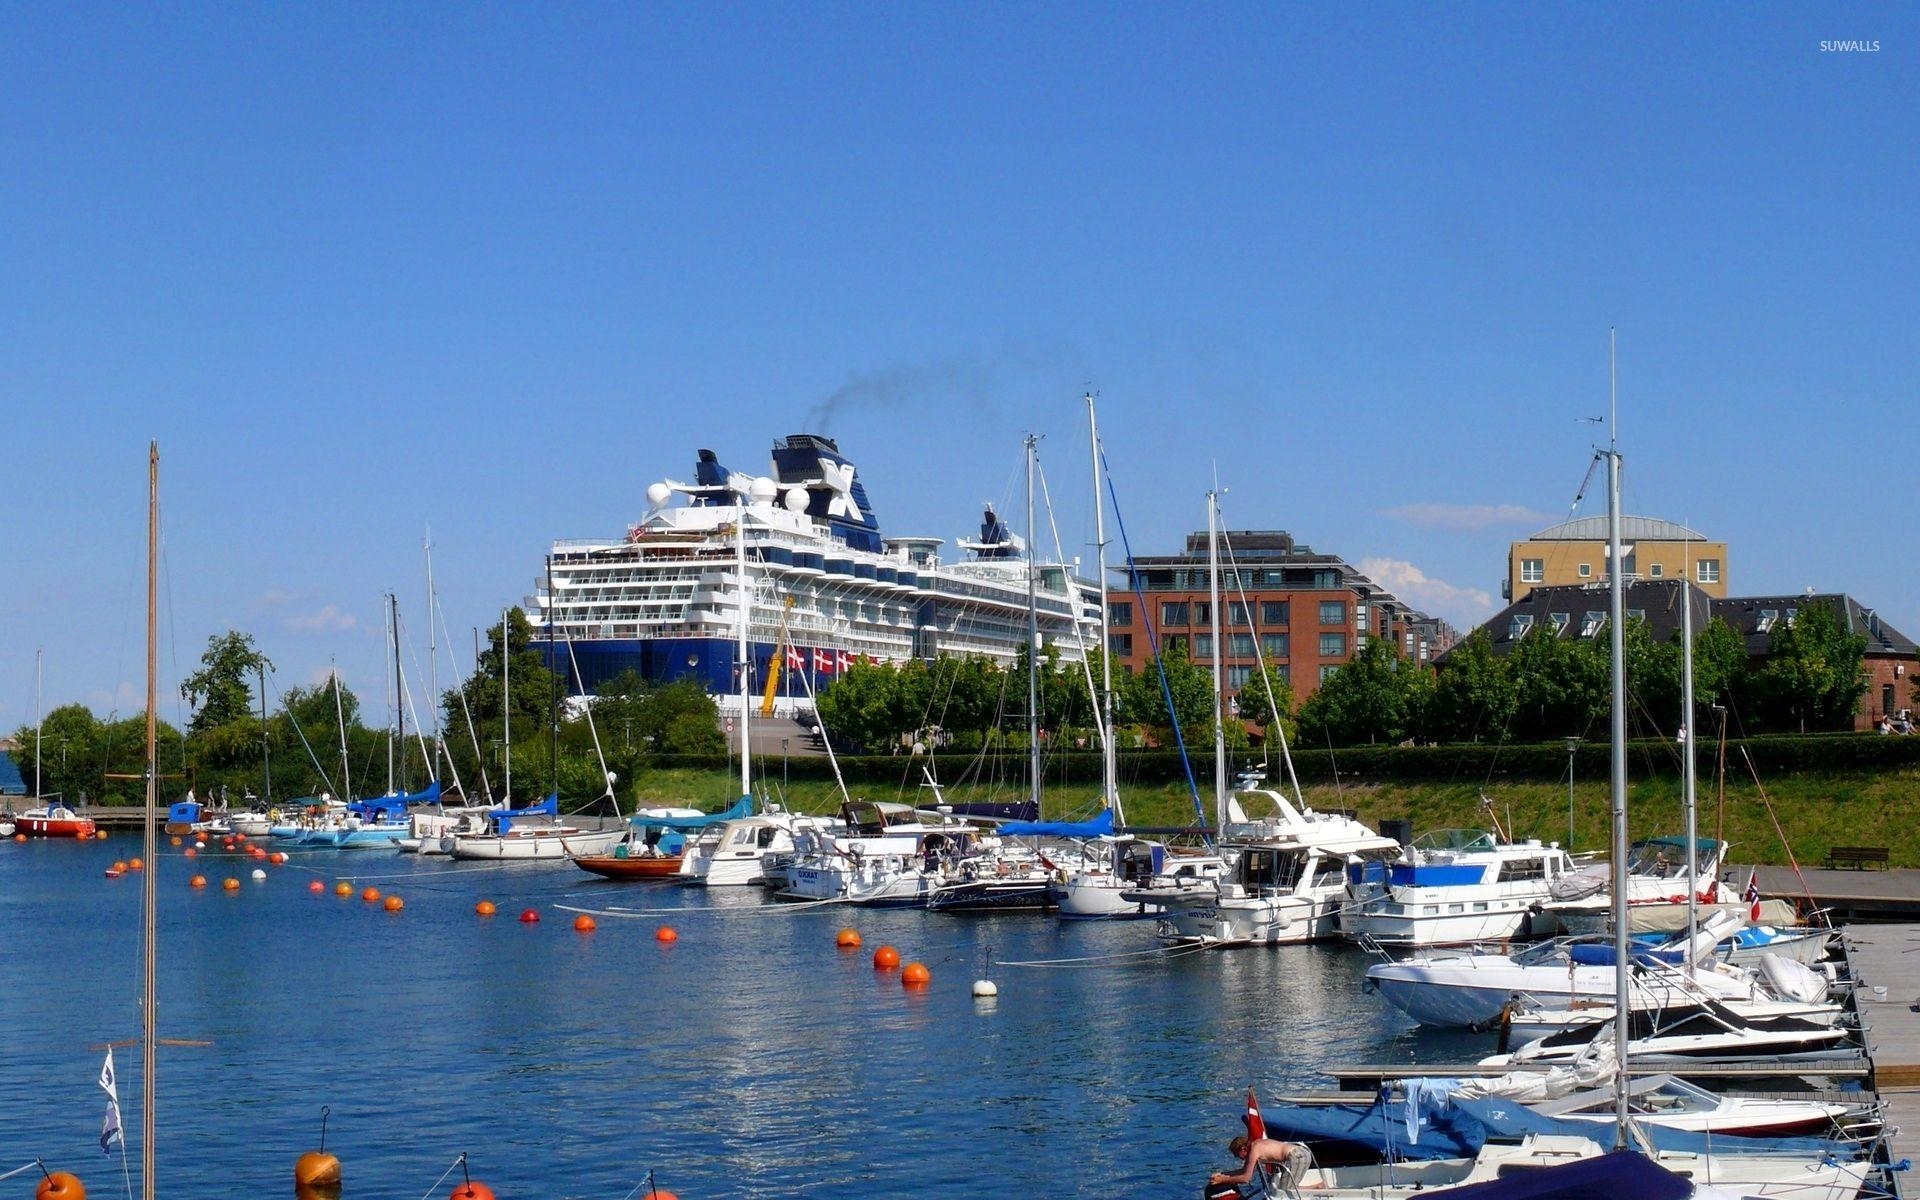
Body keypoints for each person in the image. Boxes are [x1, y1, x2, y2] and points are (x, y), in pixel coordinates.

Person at [1208, 1134, 1320, 1196]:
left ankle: (1318, 1188)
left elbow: (1245, 1178)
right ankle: (1318, 1187)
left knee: (1283, 1191)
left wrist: (1222, 1180)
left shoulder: (1254, 1151)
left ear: (1242, 1149)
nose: (1237, 1157)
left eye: (1237, 1154)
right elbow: (1244, 1170)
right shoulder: (1255, 1145)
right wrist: (1222, 1175)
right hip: (1301, 1153)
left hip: (1297, 1157)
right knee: (1285, 1188)